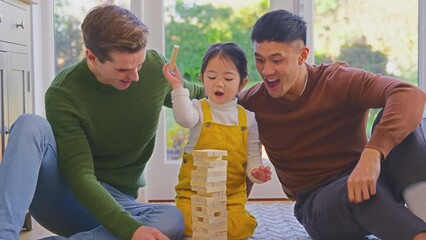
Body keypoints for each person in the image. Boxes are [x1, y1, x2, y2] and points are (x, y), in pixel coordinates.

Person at [0, 4, 205, 240]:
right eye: (124, 69)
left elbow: (198, 94)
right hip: (66, 198)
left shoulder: (154, 69)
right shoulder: (64, 92)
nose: (136, 76)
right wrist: (131, 229)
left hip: (120, 201)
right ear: (92, 57)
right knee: (29, 124)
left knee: (171, 220)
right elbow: (80, 174)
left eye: (139, 64)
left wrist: (242, 98)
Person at [238, 9, 426, 240]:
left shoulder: (338, 80)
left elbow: (409, 94)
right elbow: (215, 113)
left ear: (302, 55)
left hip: (366, 177)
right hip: (318, 207)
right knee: (358, 192)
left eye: (277, 60)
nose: (266, 71)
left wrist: (372, 154)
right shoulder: (251, 103)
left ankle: (422, 213)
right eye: (259, 60)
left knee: (409, 126)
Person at [162, 42, 272, 239]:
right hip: (194, 195)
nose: (218, 83)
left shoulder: (248, 119)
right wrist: (178, 86)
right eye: (211, 77)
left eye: (228, 78)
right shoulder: (197, 109)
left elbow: (253, 158)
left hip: (230, 197)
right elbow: (184, 119)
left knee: (237, 227)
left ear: (242, 83)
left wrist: (256, 173)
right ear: (202, 79)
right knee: (182, 223)